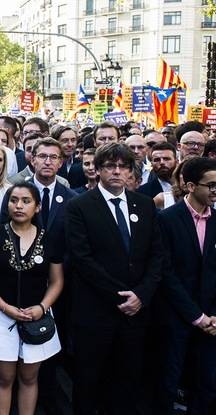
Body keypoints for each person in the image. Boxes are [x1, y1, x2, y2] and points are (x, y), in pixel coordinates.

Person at [65, 142, 164, 415]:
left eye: (123, 166)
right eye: (110, 166)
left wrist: (141, 295)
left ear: (131, 171)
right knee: (88, 381)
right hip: (96, 311)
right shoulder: (79, 206)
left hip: (136, 312)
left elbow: (156, 255)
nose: (116, 172)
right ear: (97, 170)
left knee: (128, 381)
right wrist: (120, 296)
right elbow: (82, 259)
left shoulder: (144, 205)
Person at [0, 182, 64, 415]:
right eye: (14, 200)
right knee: (4, 377)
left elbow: (57, 281)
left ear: (37, 207)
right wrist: (4, 307)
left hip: (37, 317)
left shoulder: (49, 239)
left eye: (26, 201)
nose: (19, 206)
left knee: (29, 376)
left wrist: (42, 307)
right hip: (0, 314)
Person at [156, 157, 216, 414]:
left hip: (211, 320)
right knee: (168, 383)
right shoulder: (167, 220)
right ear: (191, 186)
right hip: (176, 317)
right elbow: (166, 273)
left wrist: (212, 317)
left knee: (208, 384)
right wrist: (195, 316)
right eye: (211, 185)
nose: (215, 191)